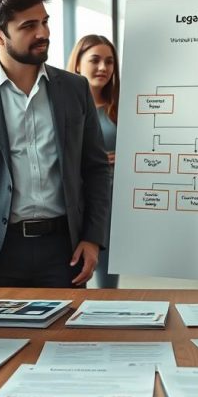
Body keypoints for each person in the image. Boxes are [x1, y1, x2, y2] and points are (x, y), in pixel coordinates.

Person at [0, 0, 111, 288]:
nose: (43, 33)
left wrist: (92, 237)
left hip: (64, 251)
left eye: (45, 22)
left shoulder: (75, 89)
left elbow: (96, 169)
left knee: (64, 335)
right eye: (29, 26)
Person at [67, 34, 120, 289]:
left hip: (113, 202)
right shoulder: (66, 106)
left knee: (108, 281)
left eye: (109, 62)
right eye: (95, 60)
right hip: (76, 201)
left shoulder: (119, 107)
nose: (103, 68)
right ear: (78, 63)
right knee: (76, 274)